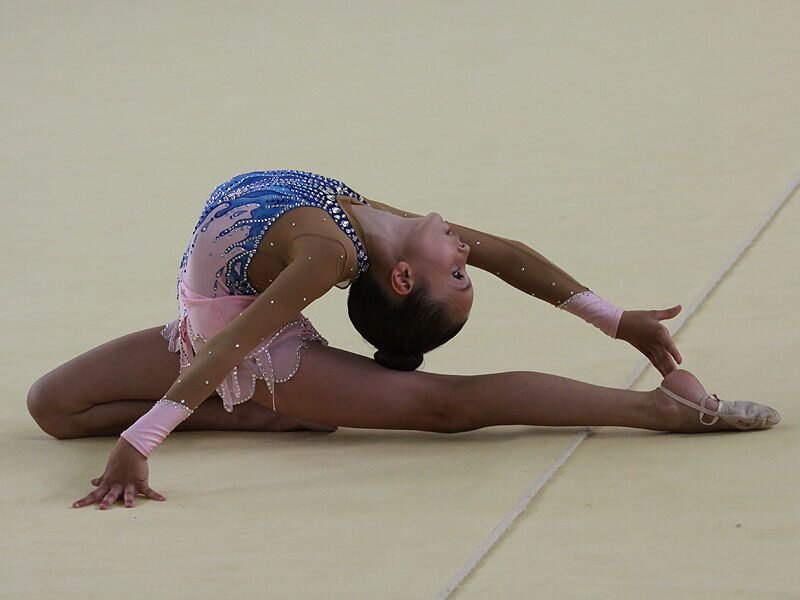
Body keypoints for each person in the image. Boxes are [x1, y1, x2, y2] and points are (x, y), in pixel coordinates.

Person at [26, 169, 781, 510]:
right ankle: (265, 412)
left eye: (457, 276)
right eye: (463, 274)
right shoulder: (374, 219)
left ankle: (670, 411)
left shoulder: (329, 255)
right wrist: (617, 318)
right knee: (51, 408)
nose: (465, 256)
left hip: (249, 349)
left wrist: (144, 436)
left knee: (441, 406)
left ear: (399, 283)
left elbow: (239, 343)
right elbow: (510, 252)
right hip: (198, 332)